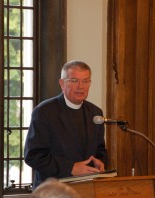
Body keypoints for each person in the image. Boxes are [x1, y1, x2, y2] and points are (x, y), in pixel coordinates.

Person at [24, 60, 108, 188]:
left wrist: (100, 162)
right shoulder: (45, 111)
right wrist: (71, 168)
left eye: (86, 81)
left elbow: (100, 149)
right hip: (53, 190)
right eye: (74, 80)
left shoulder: (95, 113)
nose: (81, 86)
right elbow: (33, 156)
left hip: (87, 188)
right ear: (62, 83)